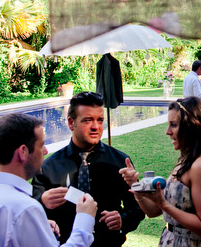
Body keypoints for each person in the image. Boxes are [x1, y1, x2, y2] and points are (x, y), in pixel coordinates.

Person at [32, 92, 144, 246]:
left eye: (100, 120)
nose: (95, 127)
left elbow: (138, 207)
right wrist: (42, 201)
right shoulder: (50, 167)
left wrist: (122, 220)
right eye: (87, 120)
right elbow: (30, 210)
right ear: (71, 123)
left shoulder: (120, 162)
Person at [0, 113, 97, 247]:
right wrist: (84, 219)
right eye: (41, 145)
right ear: (23, 152)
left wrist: (36, 227)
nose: (46, 151)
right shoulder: (25, 209)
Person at [120, 98, 201, 245]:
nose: (167, 132)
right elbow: (153, 211)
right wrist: (134, 185)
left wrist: (164, 205)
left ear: (193, 126)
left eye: (173, 125)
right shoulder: (185, 161)